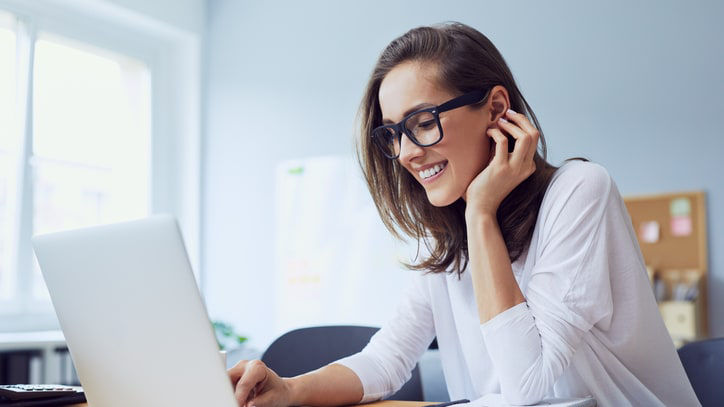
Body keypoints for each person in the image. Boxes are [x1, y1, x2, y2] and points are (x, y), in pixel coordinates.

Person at [228, 22, 700, 407]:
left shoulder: (579, 191)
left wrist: (480, 212)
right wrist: (289, 390)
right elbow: (387, 360)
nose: (408, 153)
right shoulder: (446, 241)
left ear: (496, 108)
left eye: (423, 123)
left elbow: (526, 385)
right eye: (394, 133)